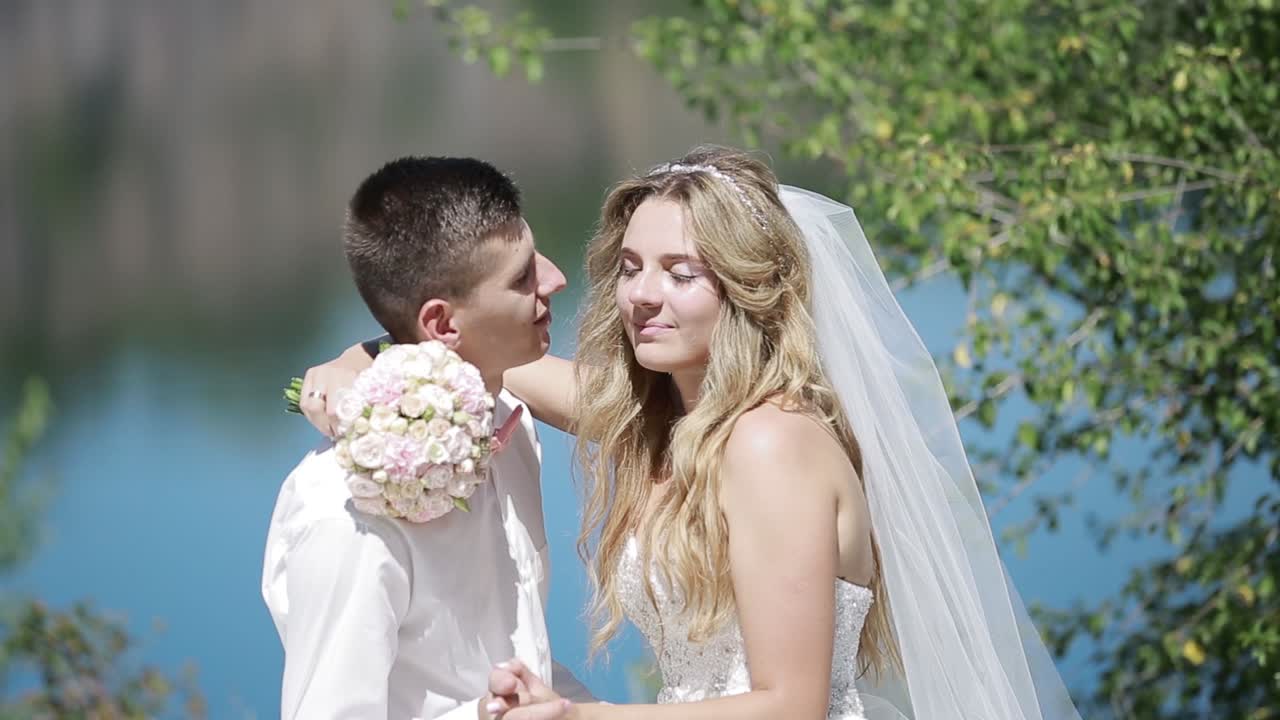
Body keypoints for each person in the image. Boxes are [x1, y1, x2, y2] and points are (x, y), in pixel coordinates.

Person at [305, 146, 1084, 720]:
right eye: (633, 266)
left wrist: (585, 718)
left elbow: (792, 704)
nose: (642, 296)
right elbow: (478, 356)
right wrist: (346, 371)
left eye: (682, 273)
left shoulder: (771, 445)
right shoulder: (656, 419)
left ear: (747, 287)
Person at [264, 155, 588, 720]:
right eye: (522, 277)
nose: (557, 278)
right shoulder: (346, 510)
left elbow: (520, 660)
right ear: (441, 324)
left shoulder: (510, 419)